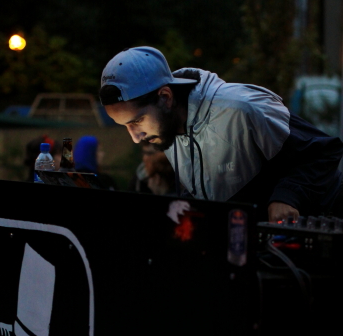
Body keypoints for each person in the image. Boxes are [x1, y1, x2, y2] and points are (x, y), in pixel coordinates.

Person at [99, 46, 343, 222]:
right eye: (125, 126)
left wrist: (287, 196)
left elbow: (324, 152)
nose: (135, 137)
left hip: (323, 227)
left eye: (137, 121)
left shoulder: (243, 108)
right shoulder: (167, 130)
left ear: (165, 97)